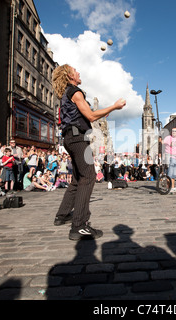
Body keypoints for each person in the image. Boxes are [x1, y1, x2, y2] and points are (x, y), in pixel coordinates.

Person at [52, 64, 126, 240]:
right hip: (78, 139)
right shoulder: (75, 92)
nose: (78, 71)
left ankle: (62, 215)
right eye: (75, 70)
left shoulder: (66, 93)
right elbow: (91, 116)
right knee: (89, 176)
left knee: (78, 178)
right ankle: (79, 225)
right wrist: (114, 106)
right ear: (69, 75)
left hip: (71, 138)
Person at [163, 128, 176, 194]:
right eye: (173, 131)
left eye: (175, 131)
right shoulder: (168, 138)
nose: (174, 132)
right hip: (170, 157)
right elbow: (162, 142)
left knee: (174, 174)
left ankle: (172, 187)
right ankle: (168, 188)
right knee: (170, 174)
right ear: (171, 132)